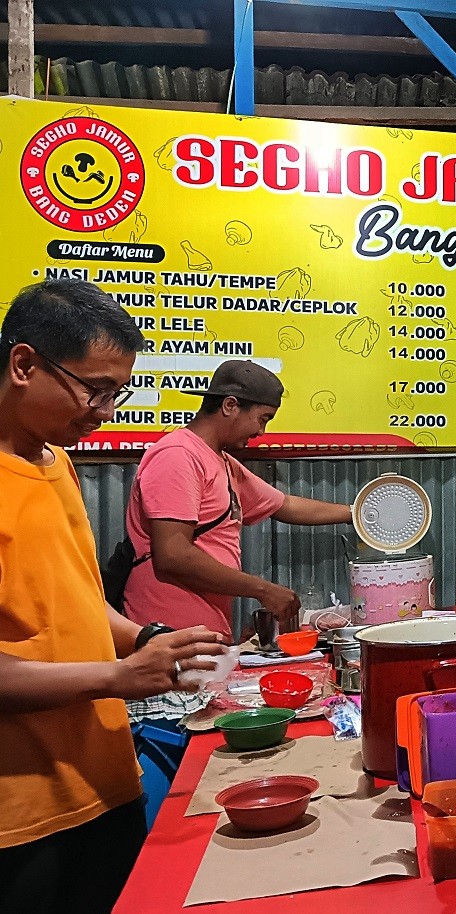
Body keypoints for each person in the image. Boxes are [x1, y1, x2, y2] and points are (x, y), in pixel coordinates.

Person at [0, 279, 226, 914]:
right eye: (93, 389)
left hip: (106, 783)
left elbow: (75, 601)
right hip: (24, 816)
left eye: (116, 392)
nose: (104, 410)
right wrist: (117, 676)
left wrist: (147, 640)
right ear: (24, 364)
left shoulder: (54, 463)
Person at [121, 360, 352, 640]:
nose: (261, 432)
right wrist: (263, 590)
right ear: (230, 406)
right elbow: (173, 554)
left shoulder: (221, 461)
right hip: (170, 635)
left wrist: (359, 513)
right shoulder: (177, 455)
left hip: (205, 631)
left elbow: (284, 505)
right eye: (263, 418)